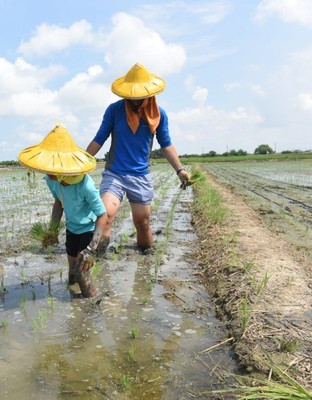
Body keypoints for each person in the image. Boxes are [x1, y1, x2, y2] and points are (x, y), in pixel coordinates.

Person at [85, 63, 192, 253]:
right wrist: (81, 163)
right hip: (114, 174)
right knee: (106, 215)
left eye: (139, 96)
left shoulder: (158, 114)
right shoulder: (114, 110)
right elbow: (99, 138)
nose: (135, 101)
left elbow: (166, 144)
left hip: (140, 175)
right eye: (131, 96)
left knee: (142, 222)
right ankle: (95, 256)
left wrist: (180, 169)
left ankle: (147, 251)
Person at [18, 123, 107, 298]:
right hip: (72, 229)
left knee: (83, 273)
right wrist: (52, 230)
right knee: (72, 272)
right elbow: (59, 202)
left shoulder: (85, 185)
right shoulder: (52, 180)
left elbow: (102, 214)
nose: (48, 171)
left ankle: (92, 304)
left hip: (88, 230)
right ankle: (74, 299)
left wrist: (92, 247)